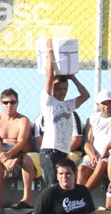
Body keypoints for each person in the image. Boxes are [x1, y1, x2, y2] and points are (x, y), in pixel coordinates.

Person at [38, 39, 90, 187]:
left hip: (63, 151)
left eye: (64, 89)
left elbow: (85, 95)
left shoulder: (68, 105)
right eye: (58, 89)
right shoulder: (48, 102)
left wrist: (72, 77)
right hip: (50, 150)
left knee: (62, 186)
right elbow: (49, 75)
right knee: (53, 185)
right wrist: (49, 52)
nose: (62, 92)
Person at [0, 88, 32, 214]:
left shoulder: (23, 120)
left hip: (15, 152)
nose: (9, 105)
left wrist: (8, 155)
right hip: (1, 153)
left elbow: (21, 142)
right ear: (1, 104)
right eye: (6, 102)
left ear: (17, 103)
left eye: (12, 102)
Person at [78, 90, 111, 190]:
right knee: (82, 169)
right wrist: (91, 155)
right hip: (96, 154)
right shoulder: (92, 118)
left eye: (110, 102)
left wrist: (107, 147)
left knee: (101, 164)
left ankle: (83, 196)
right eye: (104, 103)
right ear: (98, 105)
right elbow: (88, 142)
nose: (107, 106)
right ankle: (76, 197)